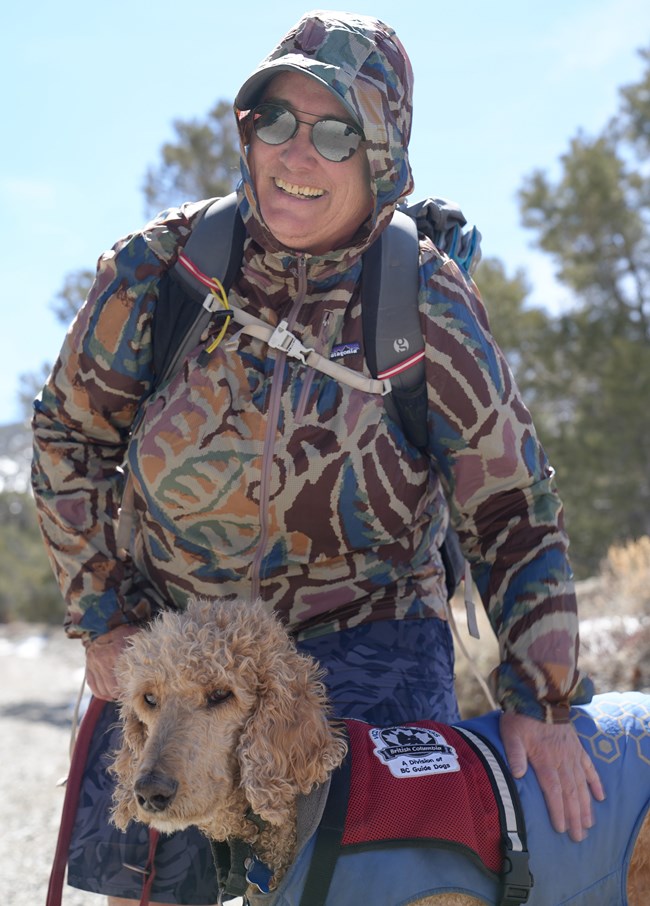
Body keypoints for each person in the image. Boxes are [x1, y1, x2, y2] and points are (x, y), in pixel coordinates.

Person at [32, 10, 603, 906]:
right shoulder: (162, 273)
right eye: (277, 122)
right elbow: (68, 437)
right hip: (183, 652)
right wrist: (107, 617)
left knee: (384, 887)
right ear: (247, 133)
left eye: (336, 130)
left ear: (383, 155)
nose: (297, 155)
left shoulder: (427, 303)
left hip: (373, 641)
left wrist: (542, 697)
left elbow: (509, 509)